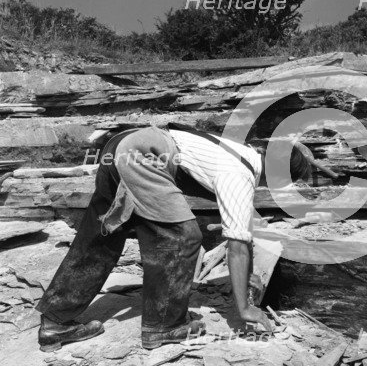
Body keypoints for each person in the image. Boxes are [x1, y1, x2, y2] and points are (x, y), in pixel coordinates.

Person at [36, 124, 312, 351]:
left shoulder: (239, 153)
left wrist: (249, 271)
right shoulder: (239, 174)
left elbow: (245, 224)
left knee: (103, 235)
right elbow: (238, 244)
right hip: (143, 155)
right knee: (183, 237)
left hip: (121, 146)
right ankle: (164, 326)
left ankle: (56, 321)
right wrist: (244, 308)